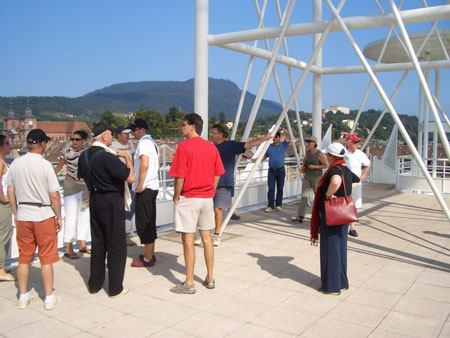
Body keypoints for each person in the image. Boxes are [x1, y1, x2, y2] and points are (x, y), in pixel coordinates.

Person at [168, 113, 224, 294]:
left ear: (192, 126)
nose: (181, 127)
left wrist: (176, 196)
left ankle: (189, 282)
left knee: (188, 239)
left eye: (184, 124)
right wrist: (211, 191)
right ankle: (210, 278)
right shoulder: (211, 147)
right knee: (207, 237)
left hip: (189, 198)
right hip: (207, 198)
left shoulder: (183, 148)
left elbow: (180, 177)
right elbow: (217, 174)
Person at [6, 129, 62, 309]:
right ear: (43, 144)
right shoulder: (45, 165)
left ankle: (23, 296)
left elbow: (10, 190)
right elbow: (54, 195)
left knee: (24, 258)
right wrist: (59, 216)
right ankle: (48, 297)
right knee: (46, 259)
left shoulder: (16, 163)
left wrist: (16, 212)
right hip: (43, 214)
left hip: (23, 214)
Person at [77, 123, 135, 298]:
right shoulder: (107, 157)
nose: (112, 138)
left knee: (98, 241)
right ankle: (115, 288)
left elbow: (81, 176)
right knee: (116, 244)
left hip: (94, 198)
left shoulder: (84, 155)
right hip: (111, 200)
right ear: (104, 137)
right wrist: (127, 158)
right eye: (110, 135)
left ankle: (95, 284)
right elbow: (130, 177)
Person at [310, 143, 360, 295]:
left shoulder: (334, 170)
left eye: (327, 155)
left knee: (330, 247)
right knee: (340, 247)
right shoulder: (345, 168)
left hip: (331, 213)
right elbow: (357, 181)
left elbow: (336, 181)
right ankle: (342, 281)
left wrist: (328, 194)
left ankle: (331, 286)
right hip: (343, 213)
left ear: (331, 156)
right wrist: (346, 193)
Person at [209, 123, 272, 246]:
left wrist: (264, 138)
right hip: (208, 183)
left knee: (217, 210)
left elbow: (248, 145)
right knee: (206, 210)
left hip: (223, 183)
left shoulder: (230, 145)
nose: (211, 135)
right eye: (211, 133)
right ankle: (204, 233)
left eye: (214, 133)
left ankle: (217, 234)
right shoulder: (210, 147)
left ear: (221, 135)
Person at [127, 119, 160, 267]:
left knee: (144, 223)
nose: (132, 133)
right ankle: (149, 253)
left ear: (142, 130)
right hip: (152, 187)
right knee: (149, 221)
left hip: (145, 188)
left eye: (134, 131)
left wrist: (139, 185)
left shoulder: (144, 144)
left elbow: (144, 164)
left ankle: (147, 258)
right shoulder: (152, 143)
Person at [54, 130, 90, 259]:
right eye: (72, 139)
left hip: (85, 186)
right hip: (71, 185)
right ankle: (69, 246)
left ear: (83, 140)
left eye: (77, 139)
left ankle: (82, 243)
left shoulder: (87, 152)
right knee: (71, 216)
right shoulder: (66, 151)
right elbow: (59, 167)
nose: (74, 141)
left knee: (84, 215)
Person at [110, 125, 136, 246]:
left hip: (129, 181)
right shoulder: (112, 146)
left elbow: (134, 159)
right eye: (125, 133)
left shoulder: (130, 145)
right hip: (118, 181)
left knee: (129, 207)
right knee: (119, 208)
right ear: (118, 135)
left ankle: (124, 234)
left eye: (128, 133)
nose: (128, 135)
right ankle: (119, 235)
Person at [291, 136, 327, 223]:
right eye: (307, 142)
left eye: (310, 142)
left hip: (316, 177)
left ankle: (323, 216)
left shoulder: (319, 154)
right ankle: (300, 216)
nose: (308, 143)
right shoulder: (307, 152)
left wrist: (315, 166)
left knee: (318, 196)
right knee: (304, 196)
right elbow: (304, 161)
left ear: (314, 143)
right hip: (307, 176)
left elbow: (325, 165)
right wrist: (305, 165)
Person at [345, 134, 371, 237]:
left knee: (355, 204)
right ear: (349, 143)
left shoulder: (360, 153)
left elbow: (368, 164)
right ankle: (342, 224)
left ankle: (352, 227)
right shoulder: (343, 153)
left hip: (356, 183)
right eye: (355, 142)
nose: (357, 144)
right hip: (344, 182)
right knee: (344, 203)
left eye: (357, 142)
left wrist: (363, 175)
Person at [261, 128, 290, 212]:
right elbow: (265, 156)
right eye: (273, 137)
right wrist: (256, 160)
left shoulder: (284, 145)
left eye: (276, 137)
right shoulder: (269, 147)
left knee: (280, 188)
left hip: (280, 170)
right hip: (271, 171)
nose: (274, 138)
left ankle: (278, 204)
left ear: (279, 137)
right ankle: (270, 205)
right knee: (271, 188)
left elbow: (288, 135)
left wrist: (282, 129)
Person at [0, 135, 14, 282]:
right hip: (3, 205)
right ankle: (1, 270)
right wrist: (4, 198)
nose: (9, 146)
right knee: (3, 234)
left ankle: (2, 265)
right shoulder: (0, 163)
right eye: (7, 143)